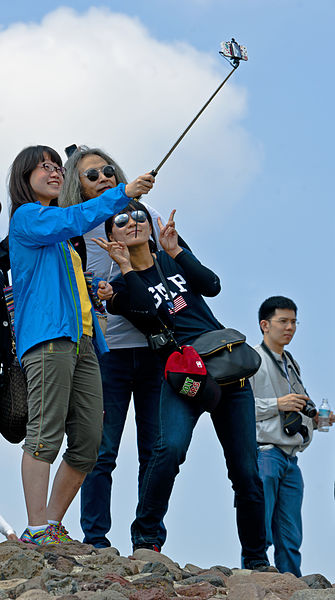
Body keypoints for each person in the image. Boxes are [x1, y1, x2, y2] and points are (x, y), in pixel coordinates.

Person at [93, 200, 272, 570]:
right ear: (111, 237)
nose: (133, 223)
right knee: (169, 450)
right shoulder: (119, 288)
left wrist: (177, 250)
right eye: (122, 221)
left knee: (246, 471)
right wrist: (126, 267)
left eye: (139, 216)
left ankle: (256, 559)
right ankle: (146, 540)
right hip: (183, 377)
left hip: (225, 369)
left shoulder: (174, 259)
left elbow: (212, 285)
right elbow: (145, 311)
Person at [8, 144, 154, 546]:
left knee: (89, 443)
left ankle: (48, 525)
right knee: (44, 433)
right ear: (24, 179)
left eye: (57, 166)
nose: (54, 172)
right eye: (44, 167)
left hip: (85, 343)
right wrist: (122, 193)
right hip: (49, 339)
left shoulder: (58, 235)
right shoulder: (28, 218)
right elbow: (75, 216)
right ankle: (38, 527)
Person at [59, 146, 166, 548]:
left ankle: (149, 539)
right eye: (92, 175)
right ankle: (96, 539)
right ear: (77, 185)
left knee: (156, 451)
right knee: (100, 450)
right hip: (106, 354)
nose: (103, 177)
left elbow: (174, 269)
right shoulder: (71, 231)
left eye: (108, 170)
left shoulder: (145, 217)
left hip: (156, 348)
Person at [250, 296, 334, 576]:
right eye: (283, 321)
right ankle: (253, 582)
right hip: (265, 453)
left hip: (290, 458)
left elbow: (299, 406)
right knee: (260, 531)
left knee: (291, 537)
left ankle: (291, 587)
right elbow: (238, 410)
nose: (290, 327)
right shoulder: (252, 359)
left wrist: (317, 418)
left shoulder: (291, 363)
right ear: (265, 325)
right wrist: (278, 404)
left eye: (294, 321)